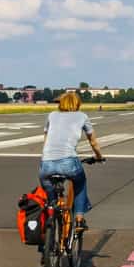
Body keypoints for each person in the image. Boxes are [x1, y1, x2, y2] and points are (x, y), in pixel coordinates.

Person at [40, 90, 105, 230]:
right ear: (77, 104)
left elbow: (45, 141)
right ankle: (79, 219)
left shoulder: (51, 115)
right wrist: (99, 157)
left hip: (46, 164)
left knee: (51, 196)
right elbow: (93, 142)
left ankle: (51, 214)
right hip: (68, 162)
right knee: (80, 183)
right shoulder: (82, 116)